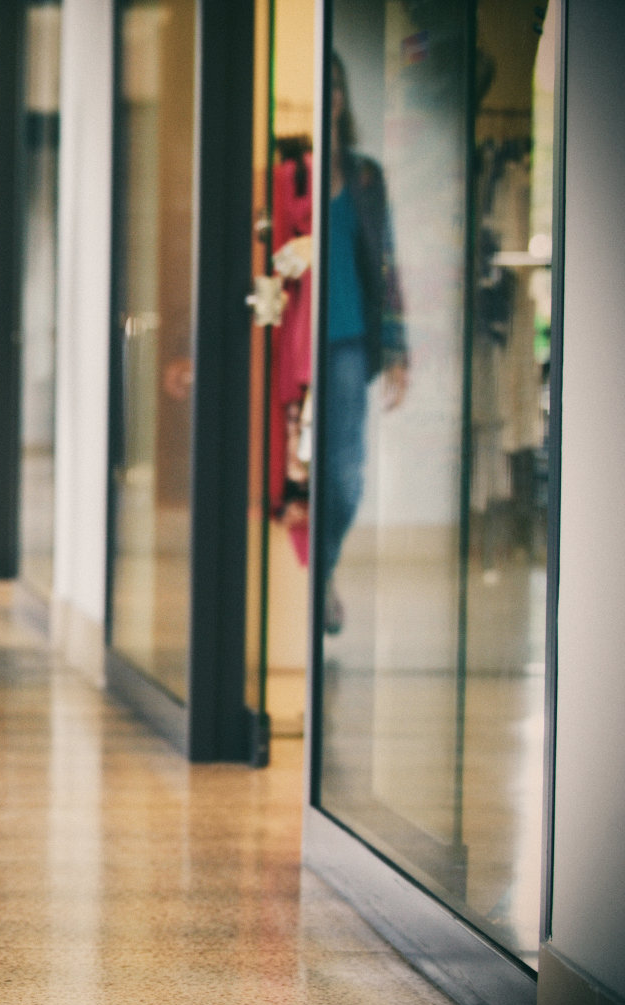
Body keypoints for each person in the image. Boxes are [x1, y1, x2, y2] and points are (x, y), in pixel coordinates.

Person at [269, 53, 408, 634]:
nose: (330, 98)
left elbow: (386, 262)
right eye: (319, 88)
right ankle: (319, 575)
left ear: (343, 99)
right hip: (296, 346)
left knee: (347, 475)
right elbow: (267, 260)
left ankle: (320, 573)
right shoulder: (287, 176)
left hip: (350, 342)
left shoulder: (366, 177)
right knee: (302, 471)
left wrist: (398, 349)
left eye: (337, 89)